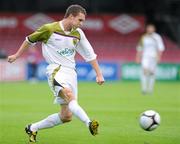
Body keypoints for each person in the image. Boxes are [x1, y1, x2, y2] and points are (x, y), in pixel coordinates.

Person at [7, 4, 104, 142]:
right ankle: (89, 123)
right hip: (56, 70)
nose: (81, 24)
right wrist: (17, 55)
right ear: (71, 16)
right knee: (70, 96)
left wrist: (99, 74)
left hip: (71, 73)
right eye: (80, 20)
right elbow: (29, 39)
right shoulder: (49, 29)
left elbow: (90, 55)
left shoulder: (78, 34)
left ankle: (32, 128)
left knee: (66, 116)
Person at [136, 24, 165, 95]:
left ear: (154, 29)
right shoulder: (143, 37)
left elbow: (160, 48)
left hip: (154, 57)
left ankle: (150, 89)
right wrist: (137, 57)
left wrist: (159, 57)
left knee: (152, 73)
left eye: (151, 28)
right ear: (147, 29)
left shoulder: (157, 37)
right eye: (148, 28)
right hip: (145, 57)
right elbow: (139, 48)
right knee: (144, 71)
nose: (150, 30)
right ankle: (144, 89)